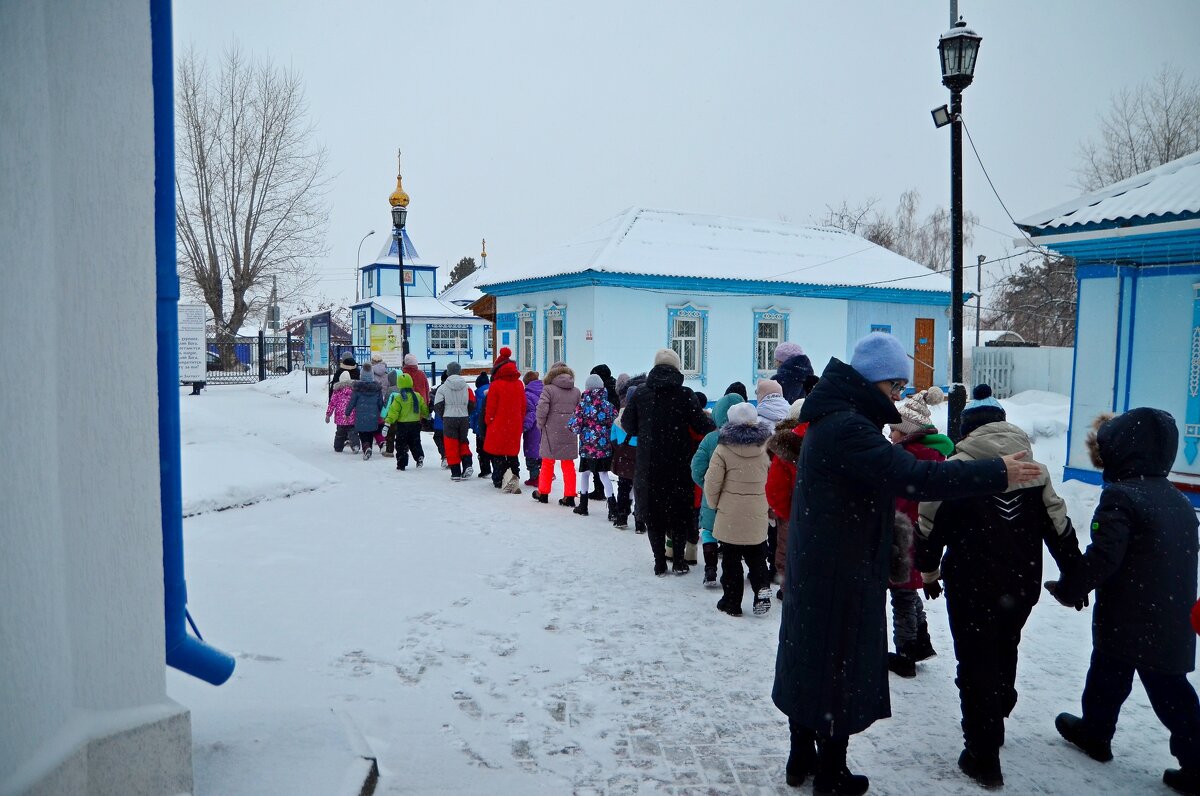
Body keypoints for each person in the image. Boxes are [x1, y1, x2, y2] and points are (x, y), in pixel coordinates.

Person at [771, 331, 1043, 794]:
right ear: (874, 379)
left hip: (823, 562)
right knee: (838, 664)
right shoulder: (849, 427)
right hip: (841, 568)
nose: (899, 395)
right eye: (895, 386)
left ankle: (803, 757)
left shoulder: (834, 417)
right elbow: (914, 475)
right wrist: (996, 472)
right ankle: (830, 773)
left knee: (812, 657)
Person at [916, 399, 1080, 788]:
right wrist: (1075, 575)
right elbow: (1058, 522)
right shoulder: (1034, 470)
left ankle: (982, 753)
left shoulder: (957, 468)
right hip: (1021, 582)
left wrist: (928, 572)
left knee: (974, 662)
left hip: (970, 585)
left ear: (967, 430)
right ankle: (999, 706)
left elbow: (929, 523)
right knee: (1006, 643)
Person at [1048, 408, 1200, 796]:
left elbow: (1104, 556)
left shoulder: (1121, 496)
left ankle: (1198, 762)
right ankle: (1095, 731)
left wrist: (1070, 587)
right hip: (1168, 613)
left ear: (1121, 451)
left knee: (1166, 691)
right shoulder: (1178, 500)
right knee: (1112, 671)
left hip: (1132, 614)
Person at [620, 348, 716, 576]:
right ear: (677, 367)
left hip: (649, 462)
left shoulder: (641, 394)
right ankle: (680, 560)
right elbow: (703, 426)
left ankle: (659, 561)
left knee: (653, 512)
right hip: (679, 461)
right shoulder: (685, 394)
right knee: (679, 509)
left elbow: (628, 425)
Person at [884, 386, 951, 679]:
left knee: (901, 595)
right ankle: (920, 643)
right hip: (923, 534)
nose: (889, 435)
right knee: (908, 592)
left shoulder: (906, 459)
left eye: (893, 430)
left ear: (907, 432)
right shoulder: (934, 457)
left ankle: (906, 654)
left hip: (903, 533)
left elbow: (897, 498)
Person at [703, 401, 774, 616]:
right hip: (757, 510)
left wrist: (714, 504)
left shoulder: (723, 448)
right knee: (757, 557)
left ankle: (732, 602)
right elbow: (772, 479)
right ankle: (761, 589)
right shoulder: (766, 447)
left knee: (731, 562)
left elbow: (712, 481)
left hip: (730, 513)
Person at [692, 391, 746, 588]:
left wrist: (708, 485)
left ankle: (710, 569)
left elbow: (697, 468)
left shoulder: (710, 439)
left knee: (709, 530)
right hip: (739, 496)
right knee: (737, 533)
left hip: (713, 495)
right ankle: (744, 572)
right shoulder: (750, 439)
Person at [765, 408, 807, 595]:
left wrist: (784, 513)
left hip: (793, 513)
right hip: (827, 517)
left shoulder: (786, 444)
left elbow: (776, 487)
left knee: (786, 553)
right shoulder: (831, 436)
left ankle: (787, 589)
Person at [568, 373, 617, 516]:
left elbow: (575, 426)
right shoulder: (608, 405)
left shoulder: (582, 405)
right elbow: (614, 424)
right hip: (603, 447)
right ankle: (613, 508)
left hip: (587, 447)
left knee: (585, 474)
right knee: (603, 474)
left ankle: (583, 506)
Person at [533, 362, 581, 505]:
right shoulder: (576, 391)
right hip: (570, 431)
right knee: (568, 464)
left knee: (547, 462)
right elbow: (580, 412)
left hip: (551, 430)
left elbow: (542, 409)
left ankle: (543, 493)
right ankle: (569, 495)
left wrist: (540, 424)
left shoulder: (548, 389)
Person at [483, 348, 526, 493]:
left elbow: (491, 408)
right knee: (512, 453)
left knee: (498, 453)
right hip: (514, 424)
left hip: (498, 424)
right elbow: (523, 407)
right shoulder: (519, 384)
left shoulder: (495, 385)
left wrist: (489, 421)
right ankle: (515, 476)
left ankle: (499, 478)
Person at [611, 374, 646, 531]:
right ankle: (639, 522)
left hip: (624, 459)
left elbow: (612, 438)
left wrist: (621, 449)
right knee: (640, 490)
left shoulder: (619, 418)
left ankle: (621, 517)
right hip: (641, 458)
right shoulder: (645, 417)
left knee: (623, 488)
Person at [434, 361, 476, 481]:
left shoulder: (443, 387)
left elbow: (438, 405)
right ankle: (467, 464)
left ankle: (456, 472)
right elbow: (472, 403)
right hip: (463, 418)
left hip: (449, 418)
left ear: (448, 372)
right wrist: (466, 412)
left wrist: (444, 415)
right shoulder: (467, 387)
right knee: (463, 441)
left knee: (451, 444)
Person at [382, 372, 430, 471]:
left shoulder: (399, 398)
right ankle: (419, 456)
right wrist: (427, 415)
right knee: (415, 442)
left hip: (402, 426)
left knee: (401, 445)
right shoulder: (417, 396)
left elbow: (393, 412)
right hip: (415, 424)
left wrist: (387, 423)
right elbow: (424, 408)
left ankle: (401, 463)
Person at [345, 376, 384, 461]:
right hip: (373, 416)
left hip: (361, 416)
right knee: (370, 432)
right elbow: (380, 403)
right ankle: (368, 447)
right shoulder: (377, 389)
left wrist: (347, 413)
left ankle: (366, 447)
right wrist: (383, 413)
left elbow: (352, 402)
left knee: (363, 433)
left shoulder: (357, 389)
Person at [324, 371, 358, 453]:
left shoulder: (337, 391)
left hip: (340, 417)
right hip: (351, 415)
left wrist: (328, 415)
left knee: (339, 433)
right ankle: (355, 446)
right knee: (353, 432)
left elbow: (332, 404)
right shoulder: (354, 390)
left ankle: (338, 447)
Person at [522, 371, 543, 487]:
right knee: (541, 453)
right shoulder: (545, 391)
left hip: (533, 429)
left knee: (531, 454)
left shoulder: (527, 394)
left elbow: (531, 413)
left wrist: (525, 426)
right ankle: (545, 476)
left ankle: (535, 478)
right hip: (544, 427)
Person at [471, 373, 492, 478]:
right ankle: (496, 467)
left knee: (481, 449)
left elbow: (474, 413)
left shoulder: (478, 395)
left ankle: (485, 469)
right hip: (491, 425)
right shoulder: (492, 391)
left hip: (480, 427)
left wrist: (472, 426)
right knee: (492, 448)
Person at [430, 372, 447, 467]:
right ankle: (450, 456)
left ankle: (444, 456)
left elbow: (432, 403)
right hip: (452, 419)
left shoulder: (438, 390)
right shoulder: (454, 389)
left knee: (438, 438)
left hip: (439, 421)